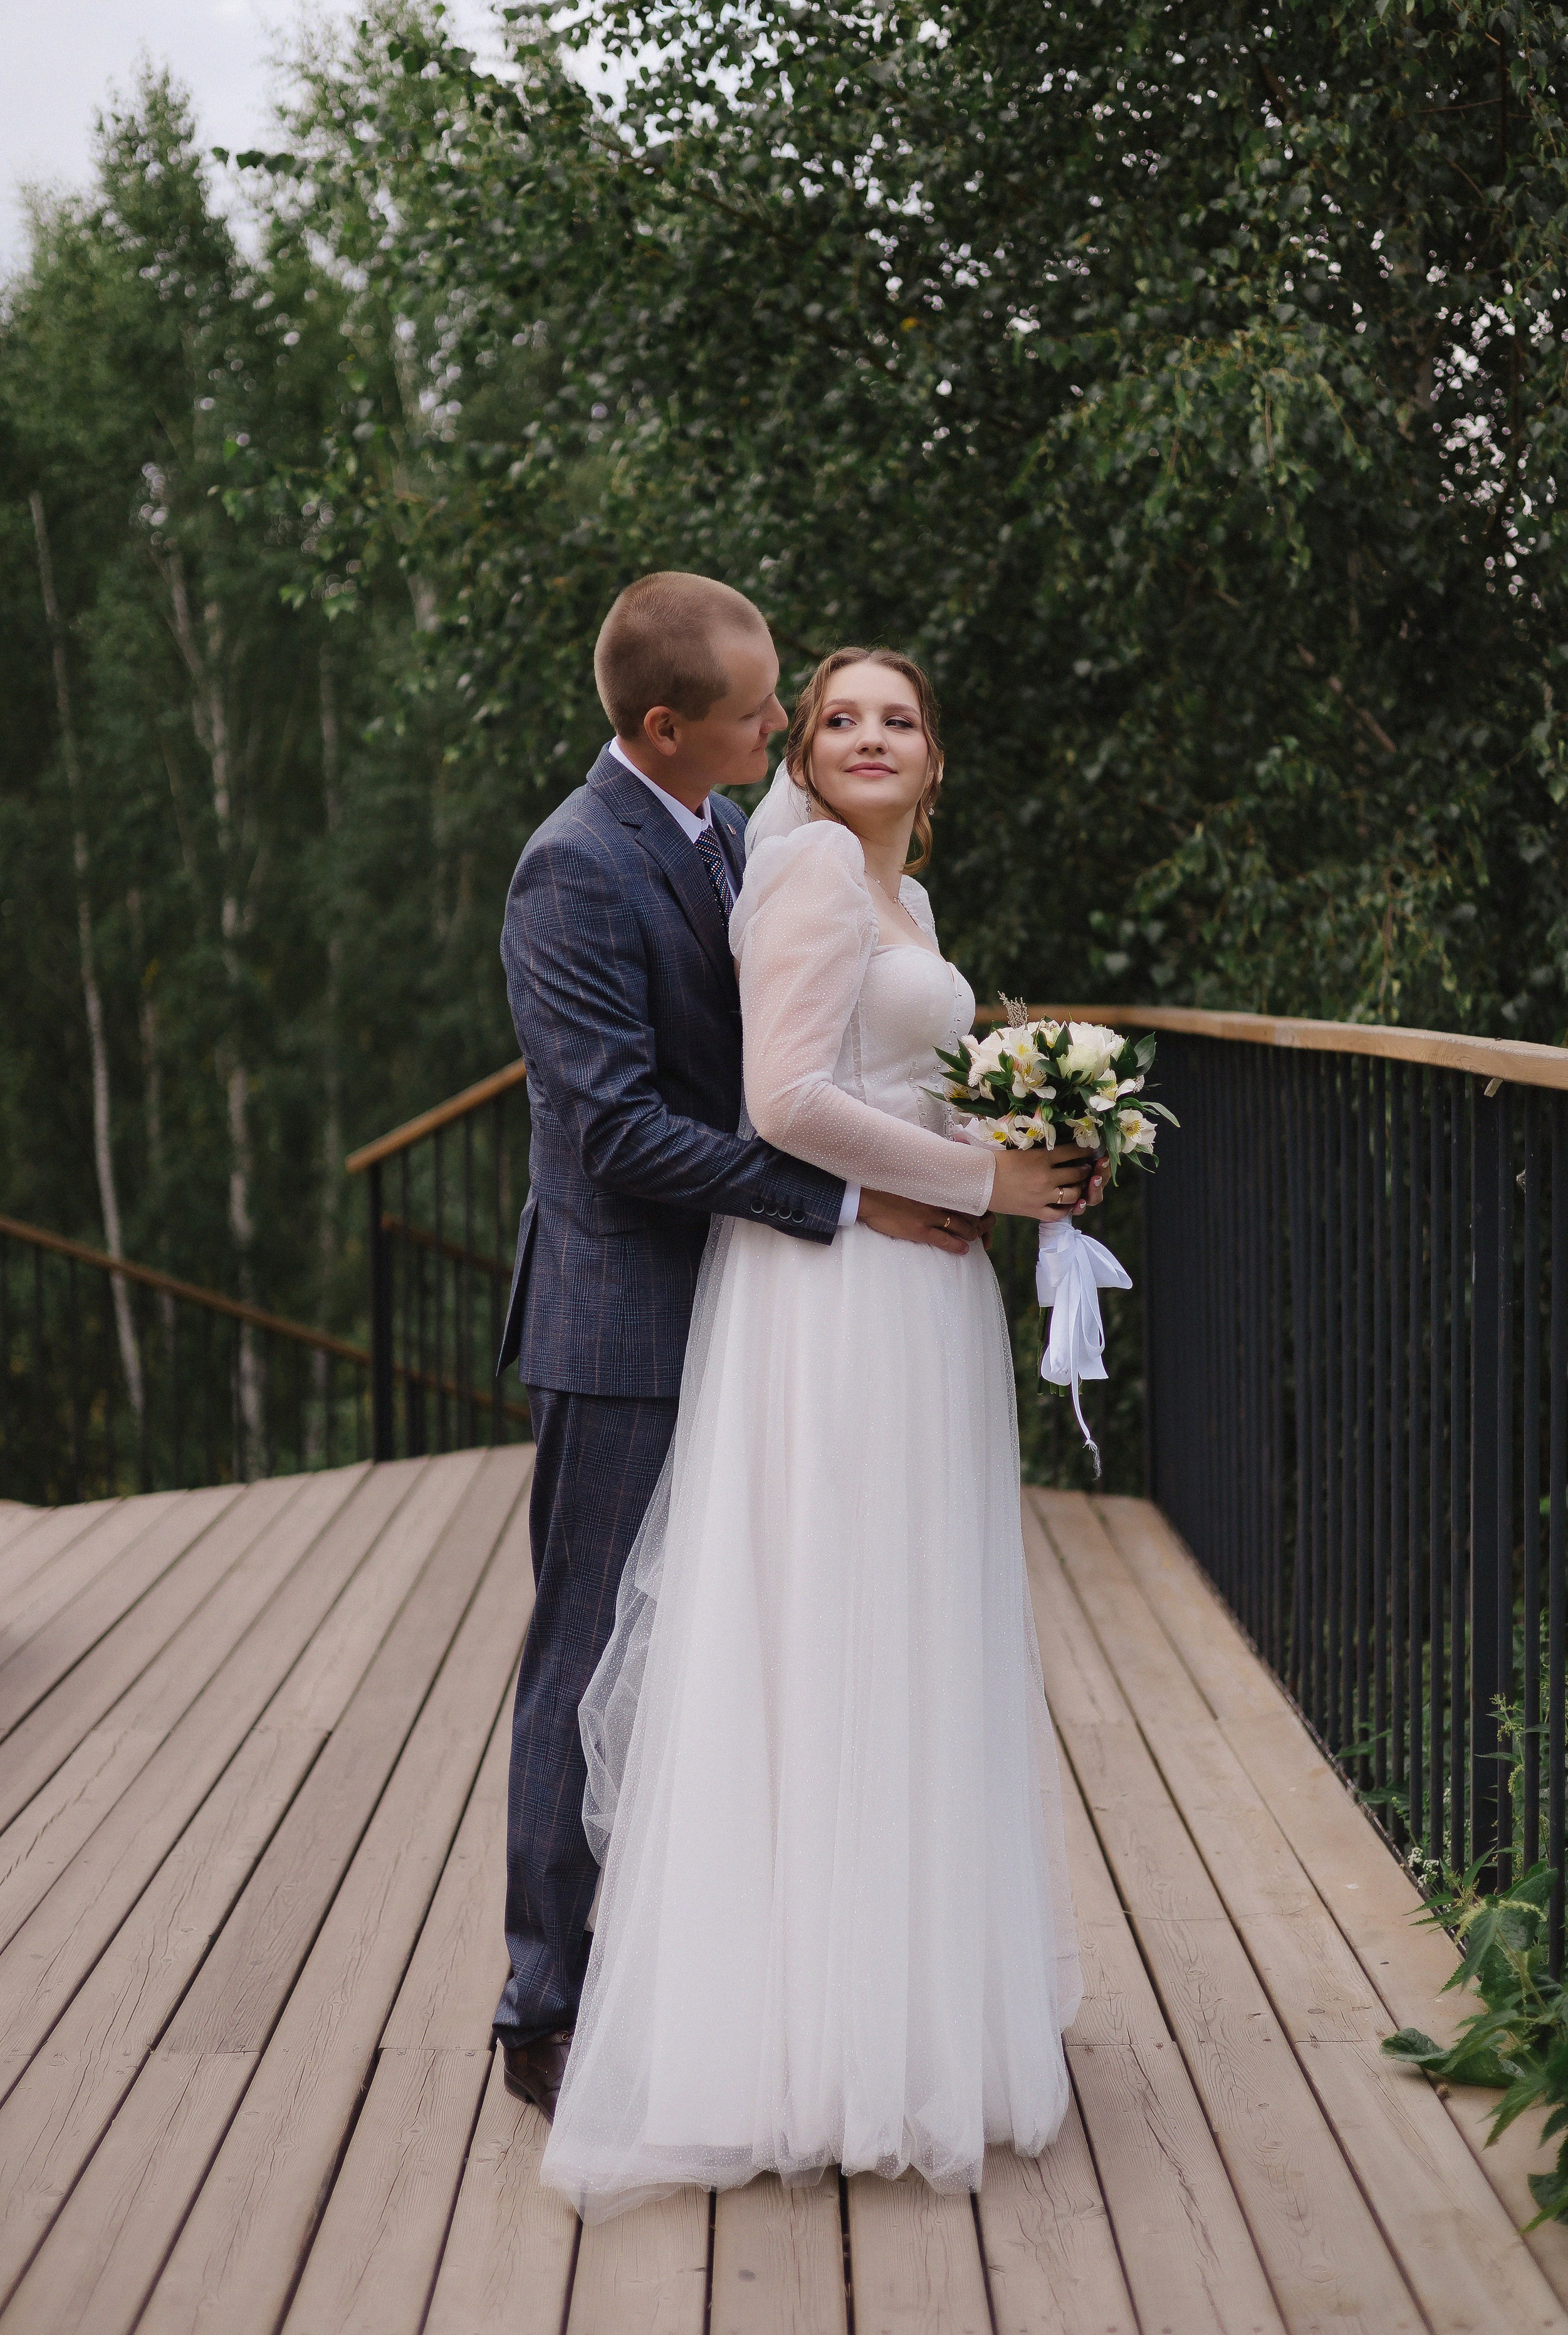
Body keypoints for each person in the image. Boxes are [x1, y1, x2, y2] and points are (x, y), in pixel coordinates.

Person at [493, 576, 1100, 2117]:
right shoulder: (573, 867)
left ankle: (750, 1972)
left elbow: (822, 1041)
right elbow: (630, 1123)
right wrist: (870, 1196)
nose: (787, 729)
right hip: (629, 1303)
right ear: (667, 725)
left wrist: (1025, 1135)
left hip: (763, 1286)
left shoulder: (728, 835)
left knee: (754, 1634)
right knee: (595, 1652)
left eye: (816, 709)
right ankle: (546, 2003)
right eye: (781, 711)